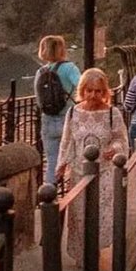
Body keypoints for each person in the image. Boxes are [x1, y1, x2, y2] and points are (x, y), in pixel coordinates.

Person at [55, 68, 129, 268]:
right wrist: (61, 165)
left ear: (104, 92)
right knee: (79, 215)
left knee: (99, 214)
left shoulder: (113, 113)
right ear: (82, 90)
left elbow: (121, 139)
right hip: (79, 172)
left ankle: (93, 251)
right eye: (89, 91)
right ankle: (82, 255)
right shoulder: (73, 112)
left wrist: (113, 149)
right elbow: (67, 141)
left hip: (104, 172)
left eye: (98, 91)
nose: (93, 95)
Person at [34, 35, 81, 184]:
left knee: (52, 162)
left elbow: (39, 99)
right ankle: (74, 197)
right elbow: (83, 86)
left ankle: (49, 199)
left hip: (48, 121)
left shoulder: (40, 72)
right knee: (76, 161)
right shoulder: (70, 68)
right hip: (69, 118)